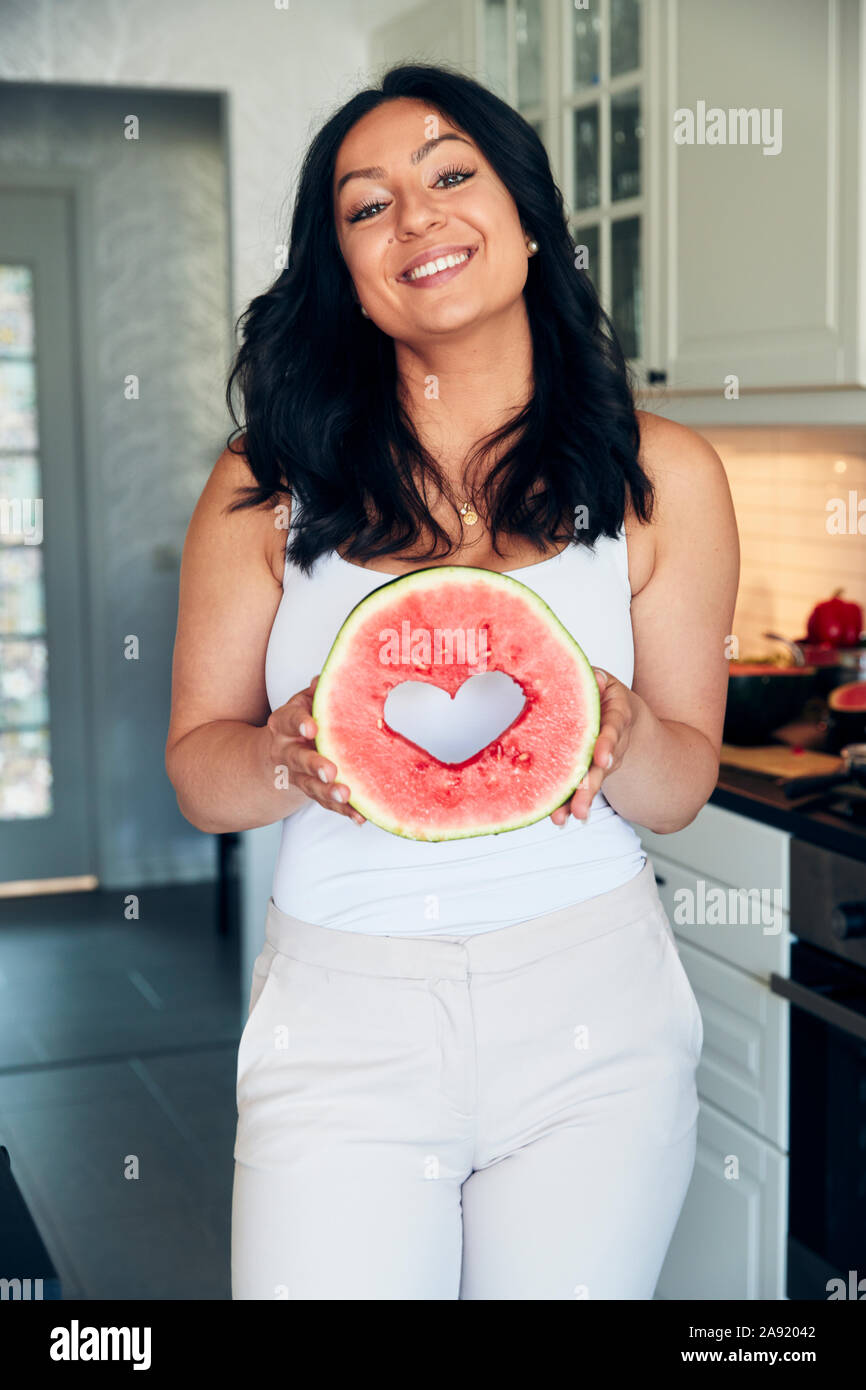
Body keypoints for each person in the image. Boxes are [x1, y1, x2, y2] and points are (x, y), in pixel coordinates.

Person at [165, 64, 739, 1300]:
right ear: (349, 277)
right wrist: (280, 753)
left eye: (448, 176)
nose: (414, 218)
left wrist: (623, 730)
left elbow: (682, 779)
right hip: (341, 1011)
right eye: (366, 206)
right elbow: (200, 775)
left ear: (526, 220)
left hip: (595, 1007)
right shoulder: (259, 486)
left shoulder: (664, 476)